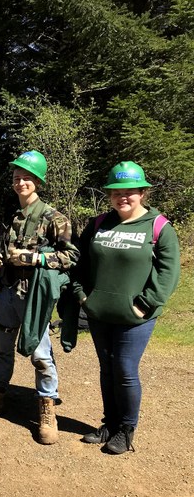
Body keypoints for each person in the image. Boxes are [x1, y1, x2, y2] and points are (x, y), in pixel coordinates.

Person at [73, 162, 180, 454]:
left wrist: (144, 305)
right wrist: (83, 296)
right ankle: (109, 423)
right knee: (107, 368)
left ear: (143, 193)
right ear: (109, 194)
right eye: (117, 191)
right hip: (99, 312)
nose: (124, 197)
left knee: (125, 369)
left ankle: (126, 430)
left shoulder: (159, 227)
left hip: (135, 317)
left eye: (131, 192)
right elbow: (80, 265)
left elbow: (168, 273)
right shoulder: (98, 224)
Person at [0, 150, 79, 445]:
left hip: (35, 298)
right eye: (16, 177)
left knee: (40, 355)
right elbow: (5, 252)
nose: (20, 182)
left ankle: (47, 408)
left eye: (26, 178)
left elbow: (71, 258)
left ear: (37, 181)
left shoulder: (54, 218)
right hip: (9, 292)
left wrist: (33, 258)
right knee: (1, 348)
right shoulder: (14, 217)